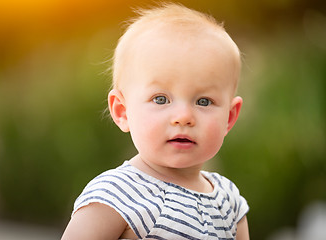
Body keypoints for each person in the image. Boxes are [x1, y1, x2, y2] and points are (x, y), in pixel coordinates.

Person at [62, 3, 249, 240]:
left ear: (230, 117)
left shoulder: (229, 202)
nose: (184, 117)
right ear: (123, 111)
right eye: (160, 99)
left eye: (203, 101)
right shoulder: (118, 195)